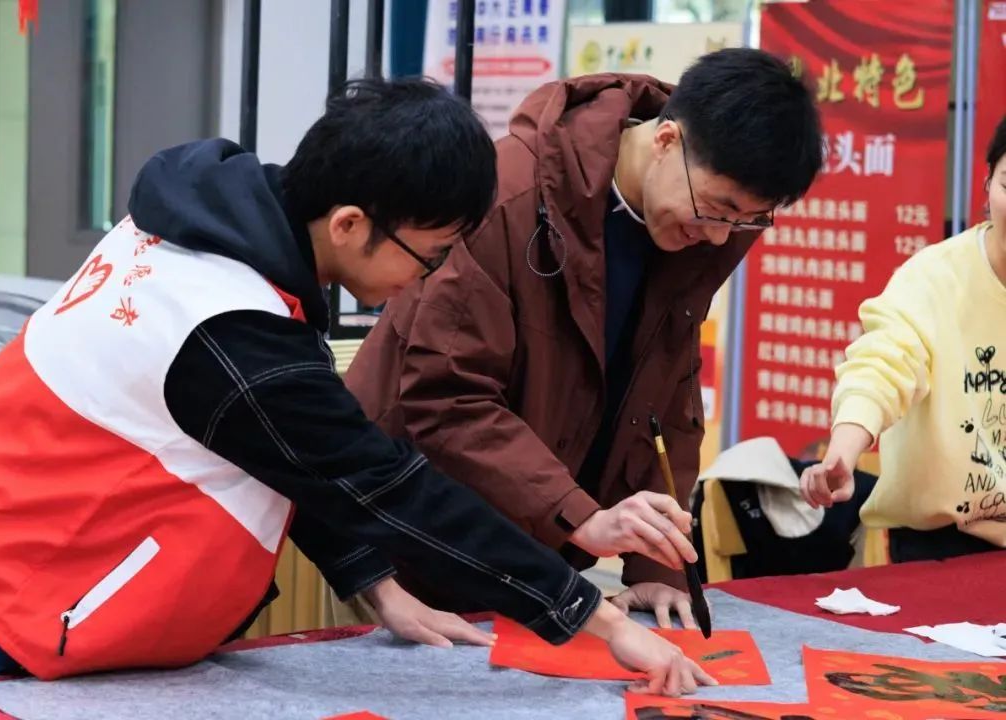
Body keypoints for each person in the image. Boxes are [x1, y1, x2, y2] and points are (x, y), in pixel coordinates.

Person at [0, 78, 712, 695]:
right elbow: (386, 487)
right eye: (430, 255)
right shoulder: (229, 326)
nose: (425, 280)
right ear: (349, 224)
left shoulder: (209, 233)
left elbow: (285, 453)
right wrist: (598, 620)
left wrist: (376, 586)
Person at [345, 49, 823, 626]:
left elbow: (666, 398)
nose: (721, 237)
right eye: (718, 210)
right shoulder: (508, 195)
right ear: (666, 140)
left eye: (748, 220)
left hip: (542, 549)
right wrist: (579, 515)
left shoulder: (700, 229)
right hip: (420, 527)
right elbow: (448, 399)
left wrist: (658, 565)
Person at [800, 115, 1006, 563]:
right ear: (988, 185)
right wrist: (844, 451)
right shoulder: (933, 279)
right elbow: (881, 365)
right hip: (943, 543)